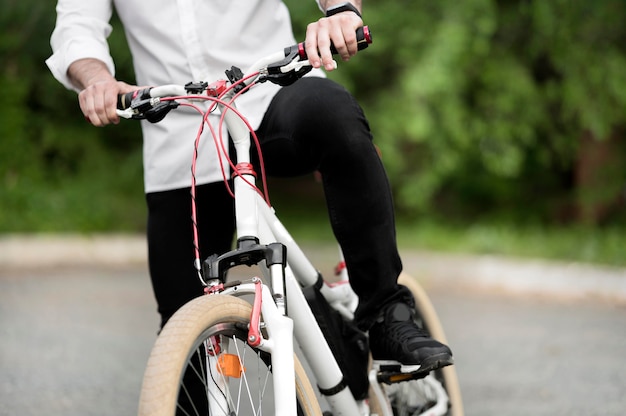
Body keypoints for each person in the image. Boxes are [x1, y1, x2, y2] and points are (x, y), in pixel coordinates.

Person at [47, 0, 453, 376]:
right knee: (180, 347)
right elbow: (78, 25)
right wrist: (98, 79)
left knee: (334, 119)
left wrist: (342, 11)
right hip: (178, 134)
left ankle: (386, 314)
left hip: (271, 92)